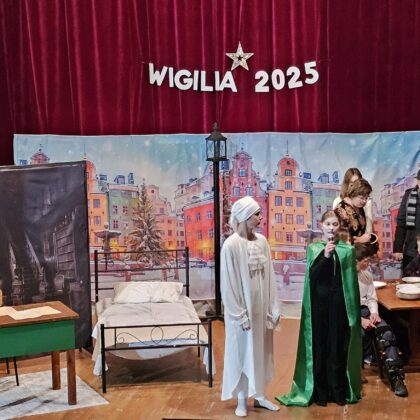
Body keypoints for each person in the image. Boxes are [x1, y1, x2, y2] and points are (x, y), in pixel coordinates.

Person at [276, 210, 361, 407]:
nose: (331, 228)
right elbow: (312, 276)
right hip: (319, 307)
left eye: (335, 224)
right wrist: (325, 256)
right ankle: (320, 392)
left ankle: (338, 391)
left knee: (337, 346)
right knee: (320, 346)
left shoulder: (347, 251)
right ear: (321, 225)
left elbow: (351, 285)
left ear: (339, 227)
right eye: (328, 224)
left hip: (339, 307)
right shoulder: (314, 249)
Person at [221, 196, 281, 417]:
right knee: (242, 351)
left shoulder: (262, 241)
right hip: (242, 313)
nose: (260, 217)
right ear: (245, 217)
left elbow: (270, 275)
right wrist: (239, 314)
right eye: (256, 214)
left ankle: (260, 395)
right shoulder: (231, 245)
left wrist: (273, 307)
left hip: (260, 309)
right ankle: (241, 399)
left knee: (261, 350)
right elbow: (229, 283)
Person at [355, 244, 408, 397]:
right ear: (355, 261)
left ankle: (396, 378)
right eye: (365, 261)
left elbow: (371, 298)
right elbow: (343, 305)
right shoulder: (344, 277)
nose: (368, 264)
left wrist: (374, 313)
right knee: (360, 335)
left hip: (366, 310)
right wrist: (360, 320)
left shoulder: (367, 275)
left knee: (387, 333)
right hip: (352, 314)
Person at [393, 170, 420, 270]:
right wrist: (398, 249)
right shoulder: (409, 195)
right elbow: (401, 223)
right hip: (411, 249)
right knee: (409, 278)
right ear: (418, 181)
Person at [333, 168, 373, 235]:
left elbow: (368, 229)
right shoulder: (339, 205)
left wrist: (366, 237)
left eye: (357, 182)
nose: (356, 186)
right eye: (352, 183)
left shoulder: (360, 205)